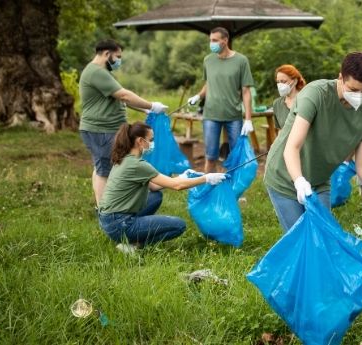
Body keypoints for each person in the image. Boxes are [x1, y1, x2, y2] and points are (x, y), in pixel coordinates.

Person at [263, 52, 362, 231]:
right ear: (340, 78)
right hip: (284, 177)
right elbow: (292, 147)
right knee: (300, 237)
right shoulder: (315, 94)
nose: (359, 96)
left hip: (319, 181)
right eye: (353, 90)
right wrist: (298, 181)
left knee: (324, 235)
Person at [97, 122, 227, 253]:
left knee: (155, 196)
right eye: (151, 140)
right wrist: (207, 178)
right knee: (178, 226)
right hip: (119, 225)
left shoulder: (125, 158)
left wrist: (182, 176)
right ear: (140, 141)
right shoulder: (138, 165)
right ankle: (134, 244)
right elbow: (177, 186)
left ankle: (131, 237)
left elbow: (154, 187)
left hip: (108, 220)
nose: (153, 143)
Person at [79, 39, 168, 205]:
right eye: (118, 56)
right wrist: (152, 105)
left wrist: (146, 110)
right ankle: (104, 210)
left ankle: (105, 206)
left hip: (106, 129)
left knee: (101, 166)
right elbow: (124, 95)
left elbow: (121, 100)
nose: (119, 60)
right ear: (107, 53)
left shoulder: (102, 73)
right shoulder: (96, 72)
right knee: (104, 170)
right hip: (100, 129)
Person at [187, 27, 255, 173]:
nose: (211, 43)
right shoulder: (208, 60)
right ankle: (209, 191)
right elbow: (208, 84)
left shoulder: (241, 61)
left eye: (215, 40)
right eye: (210, 40)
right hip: (211, 115)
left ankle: (233, 193)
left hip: (233, 116)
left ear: (225, 40)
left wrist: (248, 119)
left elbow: (246, 91)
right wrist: (198, 96)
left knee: (236, 157)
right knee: (210, 157)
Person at [273, 64, 307, 129]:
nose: (280, 85)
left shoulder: (306, 99)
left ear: (295, 81)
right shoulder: (277, 104)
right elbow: (280, 131)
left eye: (283, 81)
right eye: (278, 82)